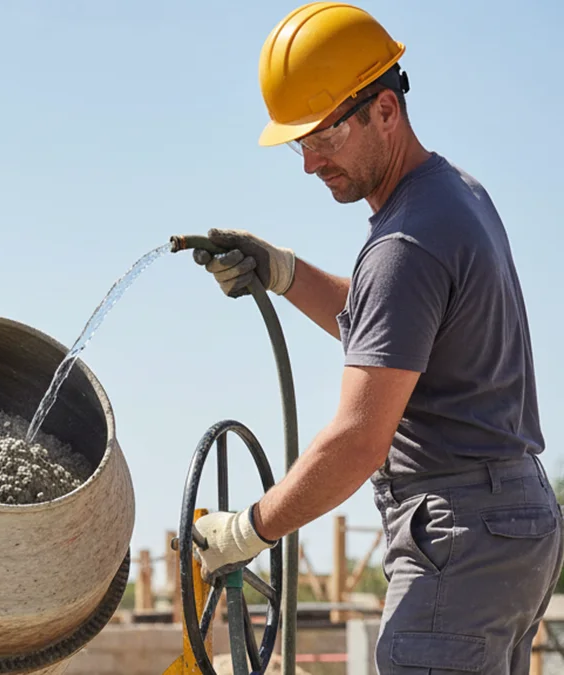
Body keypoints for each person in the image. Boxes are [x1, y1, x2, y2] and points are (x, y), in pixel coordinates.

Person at [188, 3, 562, 673]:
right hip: (511, 523)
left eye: (324, 136)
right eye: (299, 143)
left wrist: (249, 528)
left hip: (459, 534)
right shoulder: (453, 195)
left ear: (385, 111)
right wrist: (284, 270)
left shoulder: (405, 244)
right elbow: (393, 333)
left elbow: (358, 440)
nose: (309, 163)